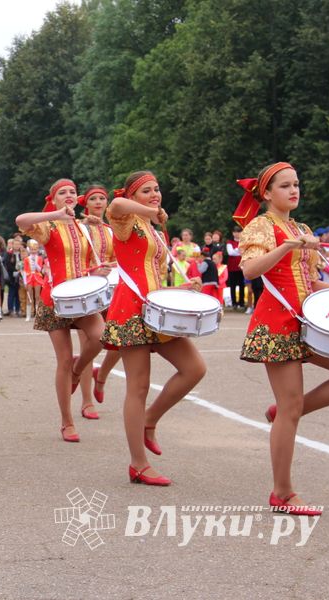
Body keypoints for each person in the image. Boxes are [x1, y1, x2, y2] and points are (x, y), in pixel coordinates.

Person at [235, 162, 329, 515]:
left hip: (307, 321)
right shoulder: (261, 226)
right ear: (266, 193)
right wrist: (288, 247)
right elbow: (250, 269)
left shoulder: (301, 227)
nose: (294, 190)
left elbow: (310, 284)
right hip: (277, 323)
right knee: (291, 408)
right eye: (285, 186)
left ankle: (281, 411)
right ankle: (282, 493)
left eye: (296, 184)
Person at [100, 171, 206, 486]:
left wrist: (184, 286)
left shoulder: (151, 229)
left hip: (155, 309)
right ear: (134, 197)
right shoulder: (126, 219)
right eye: (147, 190)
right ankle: (138, 464)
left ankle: (150, 419)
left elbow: (153, 276)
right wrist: (148, 210)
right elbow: (115, 203)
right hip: (131, 309)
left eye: (157, 190)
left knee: (194, 368)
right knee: (139, 386)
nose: (155, 194)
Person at [15, 179, 113, 442]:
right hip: (55, 299)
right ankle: (66, 421)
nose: (68, 195)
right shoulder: (49, 227)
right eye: (62, 193)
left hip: (82, 296)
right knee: (63, 360)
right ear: (55, 199)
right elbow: (21, 220)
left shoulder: (85, 227)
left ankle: (79, 370)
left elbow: (89, 262)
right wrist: (56, 215)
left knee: (100, 337)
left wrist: (98, 270)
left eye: (72, 192)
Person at [77, 185, 121, 409]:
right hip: (87, 287)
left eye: (102, 198)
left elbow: (117, 258)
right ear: (85, 203)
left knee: (121, 340)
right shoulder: (78, 227)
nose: (98, 202)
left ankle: (101, 375)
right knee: (88, 344)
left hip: (111, 287)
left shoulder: (113, 228)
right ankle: (86, 402)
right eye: (93, 198)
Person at [21, 239, 45, 322]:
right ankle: (28, 315)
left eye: (35, 249)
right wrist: (25, 282)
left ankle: (37, 315)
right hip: (29, 278)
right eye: (32, 249)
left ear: (37, 249)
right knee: (29, 296)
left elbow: (40, 269)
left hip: (37, 277)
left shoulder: (39, 258)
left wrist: (35, 263)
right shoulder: (26, 259)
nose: (33, 251)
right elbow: (24, 271)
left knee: (37, 296)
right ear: (29, 249)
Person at [225, 226, 245, 310]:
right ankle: (234, 303)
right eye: (235, 232)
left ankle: (241, 303)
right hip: (232, 267)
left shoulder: (244, 241)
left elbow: (244, 252)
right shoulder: (229, 242)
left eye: (239, 232)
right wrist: (239, 250)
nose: (237, 234)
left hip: (242, 267)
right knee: (232, 286)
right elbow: (230, 253)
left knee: (242, 285)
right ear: (233, 233)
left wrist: (236, 250)